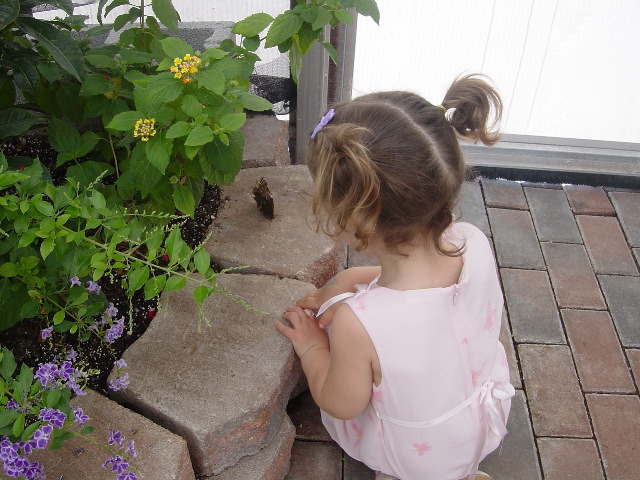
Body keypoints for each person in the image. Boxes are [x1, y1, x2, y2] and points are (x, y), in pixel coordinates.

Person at [276, 74, 514, 480]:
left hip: (420, 455)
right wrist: (348, 278)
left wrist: (312, 346)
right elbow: (423, 296)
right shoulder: (472, 241)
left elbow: (341, 402)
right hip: (479, 410)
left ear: (360, 219)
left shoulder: (361, 323)